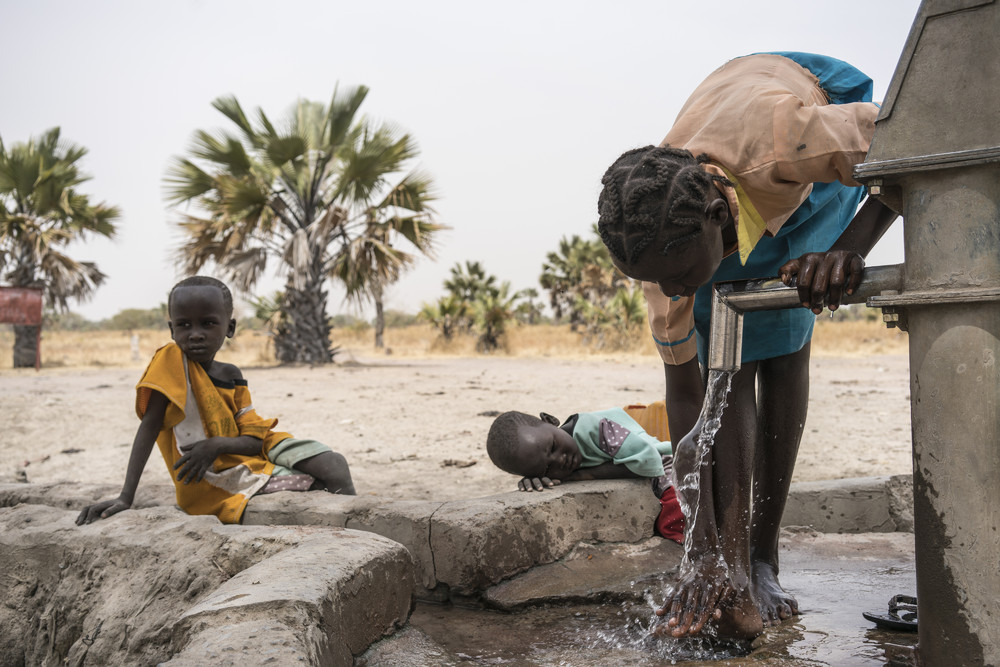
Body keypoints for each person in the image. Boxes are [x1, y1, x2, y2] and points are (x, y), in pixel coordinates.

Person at [597, 52, 899, 639]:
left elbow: (908, 139)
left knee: (784, 336)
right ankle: (731, 568)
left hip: (801, 143)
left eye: (680, 276)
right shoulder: (664, 247)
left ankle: (763, 558)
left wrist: (851, 247)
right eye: (657, 281)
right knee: (724, 362)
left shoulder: (788, 141)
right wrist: (702, 552)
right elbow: (690, 404)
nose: (671, 290)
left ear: (717, 217)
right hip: (722, 196)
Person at [76, 276, 355, 526]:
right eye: (184, 325)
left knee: (335, 465)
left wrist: (217, 444)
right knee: (316, 484)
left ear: (229, 327)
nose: (195, 333)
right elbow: (149, 427)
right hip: (213, 476)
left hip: (246, 451)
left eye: (207, 323)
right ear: (172, 330)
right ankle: (345, 531)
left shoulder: (231, 375)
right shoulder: (171, 364)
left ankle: (355, 532)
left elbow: (254, 439)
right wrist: (126, 497)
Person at [486, 403, 684, 543]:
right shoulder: (540, 457)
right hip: (652, 473)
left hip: (667, 461)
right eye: (546, 469)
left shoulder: (593, 428)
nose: (559, 460)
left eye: (553, 446)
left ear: (550, 420)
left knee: (676, 511)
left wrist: (583, 475)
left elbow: (649, 462)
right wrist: (533, 480)